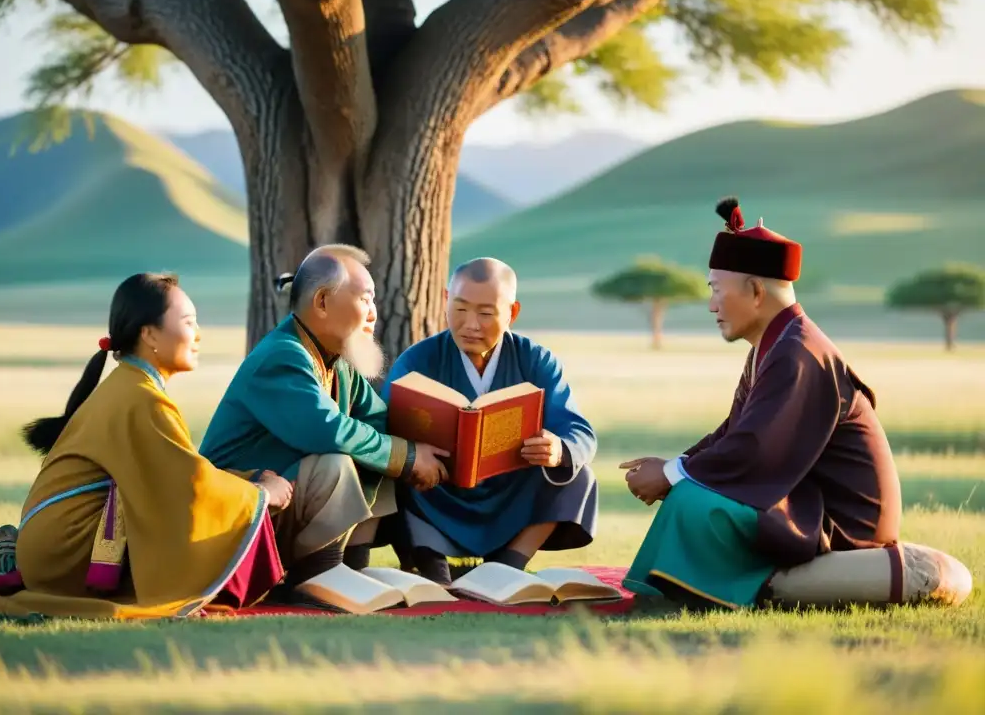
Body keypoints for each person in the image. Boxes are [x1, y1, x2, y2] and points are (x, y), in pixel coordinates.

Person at [619, 197, 910, 609]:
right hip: (804, 502)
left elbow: (755, 450)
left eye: (717, 290)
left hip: (844, 524)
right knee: (691, 494)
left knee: (692, 499)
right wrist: (676, 465)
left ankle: (690, 589)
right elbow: (733, 432)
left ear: (756, 291)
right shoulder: (774, 346)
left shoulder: (799, 352)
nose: (711, 305)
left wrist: (671, 474)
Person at [0, 273, 285, 620]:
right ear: (149, 334)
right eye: (189, 322)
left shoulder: (131, 386)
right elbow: (188, 485)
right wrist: (260, 494)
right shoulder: (140, 398)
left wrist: (242, 480)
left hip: (48, 547)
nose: (199, 333)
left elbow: (172, 473)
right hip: (65, 554)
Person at [199, 244, 449, 599]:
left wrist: (431, 443)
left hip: (283, 509)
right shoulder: (283, 356)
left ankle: (352, 564)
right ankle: (319, 575)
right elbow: (326, 430)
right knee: (335, 461)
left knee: (379, 452)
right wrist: (408, 456)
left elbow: (380, 423)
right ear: (321, 302)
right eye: (365, 299)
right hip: (239, 520)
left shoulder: (337, 362)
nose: (374, 314)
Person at [381, 257, 599, 584]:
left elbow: (579, 431)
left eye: (485, 313)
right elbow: (382, 427)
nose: (471, 324)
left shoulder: (536, 360)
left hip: (510, 489)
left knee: (578, 475)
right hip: (435, 489)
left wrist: (557, 450)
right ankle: (429, 561)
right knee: (393, 466)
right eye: (460, 309)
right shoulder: (417, 360)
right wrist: (413, 454)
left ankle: (507, 566)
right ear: (445, 300)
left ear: (512, 313)